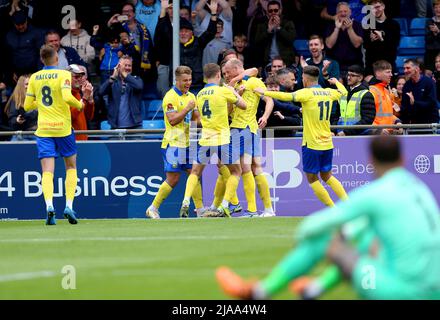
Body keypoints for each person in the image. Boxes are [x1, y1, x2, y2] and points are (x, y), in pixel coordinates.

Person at [216, 135, 440, 300]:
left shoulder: (375, 193)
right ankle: (314, 290)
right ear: (403, 158)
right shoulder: (419, 188)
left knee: (325, 241)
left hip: (398, 292)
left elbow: (310, 228)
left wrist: (311, 245)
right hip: (434, 291)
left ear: (370, 160)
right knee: (368, 238)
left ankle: (258, 292)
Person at [255, 65, 348, 208]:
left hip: (312, 143)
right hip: (327, 142)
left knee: (312, 179)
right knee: (327, 176)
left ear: (305, 79)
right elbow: (343, 92)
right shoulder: (329, 92)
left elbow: (286, 96)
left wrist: (265, 92)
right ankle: (347, 204)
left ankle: (333, 208)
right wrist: (336, 82)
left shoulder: (306, 93)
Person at [23, 45, 85, 225]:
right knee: (71, 167)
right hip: (63, 129)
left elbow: (27, 106)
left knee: (47, 172)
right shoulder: (64, 75)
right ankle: (69, 205)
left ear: (42, 59)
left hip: (44, 129)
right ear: (56, 58)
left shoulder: (34, 77)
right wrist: (80, 105)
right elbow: (67, 97)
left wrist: (41, 104)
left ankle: (49, 206)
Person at [178, 63, 246, 218]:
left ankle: (186, 201)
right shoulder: (223, 91)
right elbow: (243, 106)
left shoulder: (199, 95)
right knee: (236, 171)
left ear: (204, 76)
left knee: (195, 172)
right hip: (222, 138)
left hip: (205, 140)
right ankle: (225, 205)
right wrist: (235, 93)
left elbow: (200, 118)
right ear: (218, 75)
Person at [145, 66, 204, 219]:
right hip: (173, 144)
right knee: (173, 179)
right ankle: (153, 208)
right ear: (177, 80)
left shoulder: (192, 95)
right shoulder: (170, 97)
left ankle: (200, 210)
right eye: (185, 80)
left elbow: (196, 119)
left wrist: (204, 123)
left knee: (194, 174)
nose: (188, 83)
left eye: (190, 80)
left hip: (188, 143)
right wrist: (187, 109)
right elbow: (172, 120)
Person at [220, 58, 275, 217]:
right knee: (255, 168)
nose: (226, 76)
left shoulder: (250, 82)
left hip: (241, 129)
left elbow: (269, 99)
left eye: (228, 73)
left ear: (236, 69)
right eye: (224, 74)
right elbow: (229, 111)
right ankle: (268, 209)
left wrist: (265, 116)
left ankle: (249, 209)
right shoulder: (236, 86)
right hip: (251, 130)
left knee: (239, 169)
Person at [99, 55, 144, 130]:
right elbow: (101, 92)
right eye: (125, 65)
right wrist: (113, 77)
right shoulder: (113, 81)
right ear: (118, 67)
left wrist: (125, 76)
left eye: (129, 66)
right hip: (115, 127)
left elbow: (139, 86)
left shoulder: (136, 79)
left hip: (135, 127)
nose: (127, 67)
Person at [332, 65, 376, 136]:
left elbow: (368, 119)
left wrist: (346, 132)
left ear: (360, 78)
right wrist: (333, 131)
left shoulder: (366, 94)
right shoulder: (343, 93)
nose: (348, 78)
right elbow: (336, 116)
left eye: (352, 75)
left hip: (358, 136)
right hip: (340, 134)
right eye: (348, 75)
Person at [362, 0, 400, 76]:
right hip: (372, 66)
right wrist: (371, 40)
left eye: (377, 7)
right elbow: (365, 46)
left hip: (388, 64)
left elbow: (394, 45)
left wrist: (382, 39)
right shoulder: (368, 24)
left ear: (383, 7)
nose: (376, 10)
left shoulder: (393, 24)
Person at [401, 58, 439, 125]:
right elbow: (405, 107)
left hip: (429, 124)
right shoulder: (406, 85)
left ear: (417, 69)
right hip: (413, 125)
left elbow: (431, 103)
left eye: (408, 68)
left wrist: (414, 103)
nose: (405, 71)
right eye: (404, 68)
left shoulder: (429, 82)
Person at [369, 60, 403, 135]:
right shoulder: (371, 91)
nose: (391, 75)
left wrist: (397, 122)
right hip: (376, 136)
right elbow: (367, 117)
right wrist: (378, 130)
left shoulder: (387, 91)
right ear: (378, 73)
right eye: (388, 72)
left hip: (387, 135)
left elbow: (388, 114)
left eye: (391, 72)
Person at [5, 74, 38, 140]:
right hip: (23, 135)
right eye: (27, 84)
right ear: (21, 87)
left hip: (39, 134)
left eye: (31, 84)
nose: (29, 86)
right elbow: (11, 121)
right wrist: (17, 120)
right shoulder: (16, 100)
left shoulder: (38, 96)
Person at [67, 64, 94, 141]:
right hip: (71, 142)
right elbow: (70, 117)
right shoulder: (65, 94)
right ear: (67, 78)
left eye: (81, 76)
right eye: (76, 77)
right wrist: (85, 98)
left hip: (83, 140)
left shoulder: (78, 93)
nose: (79, 79)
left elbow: (89, 117)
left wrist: (90, 101)